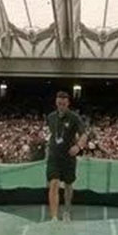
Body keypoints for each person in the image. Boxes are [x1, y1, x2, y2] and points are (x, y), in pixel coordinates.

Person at [45, 91, 86, 222]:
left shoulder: (74, 117)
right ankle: (54, 217)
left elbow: (84, 134)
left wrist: (78, 147)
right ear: (56, 103)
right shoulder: (51, 117)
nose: (61, 106)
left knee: (68, 184)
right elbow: (52, 134)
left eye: (63, 103)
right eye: (59, 103)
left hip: (68, 157)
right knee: (54, 183)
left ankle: (67, 210)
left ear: (68, 103)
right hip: (54, 156)